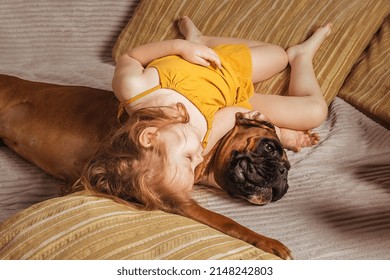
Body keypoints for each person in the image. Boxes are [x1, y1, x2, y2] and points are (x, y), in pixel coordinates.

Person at [73, 17, 332, 212]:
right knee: (315, 112)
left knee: (276, 55)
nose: (198, 157)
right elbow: (236, 112)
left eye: (188, 158)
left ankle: (202, 40)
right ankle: (302, 57)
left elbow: (129, 56)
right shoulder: (198, 138)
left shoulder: (133, 89)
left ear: (149, 136)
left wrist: (181, 46)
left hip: (211, 63)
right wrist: (281, 134)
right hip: (229, 85)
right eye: (194, 163)